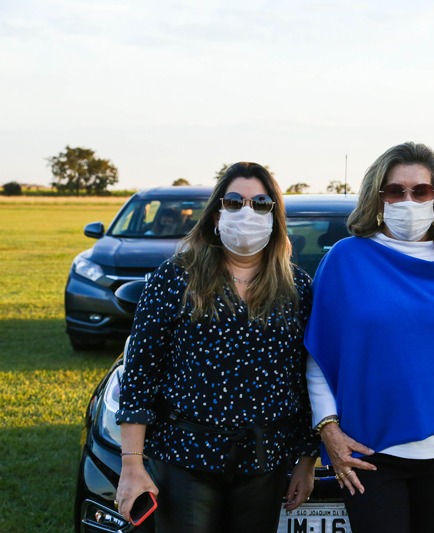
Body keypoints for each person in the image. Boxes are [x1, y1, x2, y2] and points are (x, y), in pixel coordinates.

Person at [304, 142, 434, 533]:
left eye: (420, 191)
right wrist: (328, 430)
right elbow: (320, 356)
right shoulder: (346, 260)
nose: (408, 201)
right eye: (395, 191)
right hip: (367, 449)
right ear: (378, 197)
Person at [115, 162, 318, 532]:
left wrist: (307, 460)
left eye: (260, 203)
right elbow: (140, 374)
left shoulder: (297, 288)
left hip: (264, 462)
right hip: (184, 457)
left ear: (274, 218)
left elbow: (305, 378)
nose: (247, 212)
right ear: (215, 215)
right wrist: (132, 464)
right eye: (234, 202)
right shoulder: (175, 277)